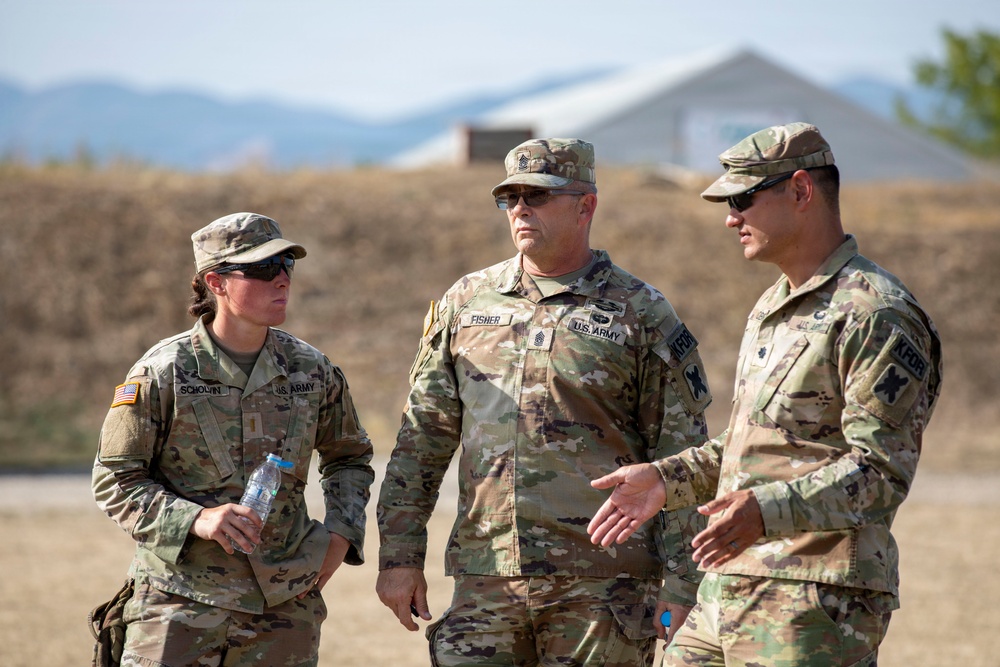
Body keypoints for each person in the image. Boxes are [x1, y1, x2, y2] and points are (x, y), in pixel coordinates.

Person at [587, 123, 943, 666]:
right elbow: (758, 444)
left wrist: (764, 511)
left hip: (813, 600)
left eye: (744, 199)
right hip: (726, 588)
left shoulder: (876, 314)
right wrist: (665, 478)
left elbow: (880, 473)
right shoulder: (773, 306)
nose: (731, 218)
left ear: (801, 191)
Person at [375, 138, 713, 666]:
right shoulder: (467, 301)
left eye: (539, 195)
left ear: (586, 206)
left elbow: (680, 456)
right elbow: (422, 439)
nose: (521, 209)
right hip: (487, 578)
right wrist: (399, 557)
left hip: (603, 588)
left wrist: (683, 581)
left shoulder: (640, 312)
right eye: (510, 198)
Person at [92, 212, 375, 666]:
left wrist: (341, 534)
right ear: (216, 282)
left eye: (287, 265)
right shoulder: (164, 372)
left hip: (282, 609)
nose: (281, 279)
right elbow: (115, 479)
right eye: (262, 269)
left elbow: (350, 459)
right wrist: (195, 520)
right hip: (178, 604)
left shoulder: (312, 369)